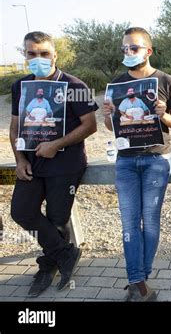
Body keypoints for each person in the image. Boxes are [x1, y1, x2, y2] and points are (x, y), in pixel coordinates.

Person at [9, 31, 98, 297]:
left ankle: (46, 267)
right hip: (32, 163)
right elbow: (14, 129)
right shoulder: (20, 87)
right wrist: (20, 158)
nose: (38, 59)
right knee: (21, 211)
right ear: (25, 56)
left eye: (44, 53)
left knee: (57, 222)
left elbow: (90, 126)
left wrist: (56, 144)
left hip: (66, 164)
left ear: (55, 55)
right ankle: (66, 254)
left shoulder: (75, 85)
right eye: (32, 54)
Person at [102, 27, 171, 301]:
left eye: (134, 48)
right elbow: (111, 127)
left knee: (149, 222)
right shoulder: (116, 84)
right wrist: (108, 115)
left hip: (156, 159)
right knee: (128, 224)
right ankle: (138, 282)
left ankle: (139, 278)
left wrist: (163, 115)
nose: (128, 53)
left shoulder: (166, 80)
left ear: (148, 51)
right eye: (124, 48)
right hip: (125, 160)